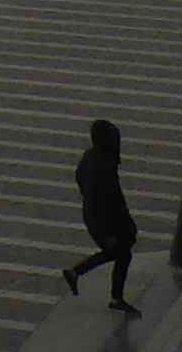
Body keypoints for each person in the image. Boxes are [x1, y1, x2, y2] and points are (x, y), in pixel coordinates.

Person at [61, 119, 142, 307]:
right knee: (121, 253)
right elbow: (112, 197)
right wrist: (111, 230)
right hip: (107, 220)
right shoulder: (105, 164)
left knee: (117, 252)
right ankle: (115, 297)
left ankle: (76, 273)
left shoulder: (90, 157)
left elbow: (80, 177)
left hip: (93, 215)